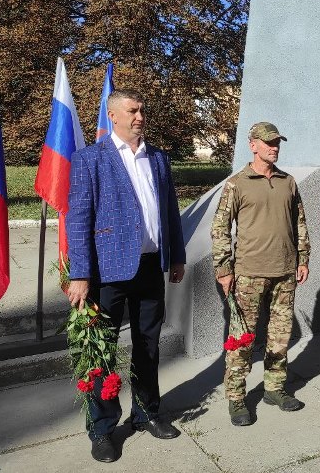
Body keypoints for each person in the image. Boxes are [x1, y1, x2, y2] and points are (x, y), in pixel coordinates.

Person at [66, 89, 186, 463]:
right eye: (132, 110)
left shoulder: (159, 159)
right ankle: (102, 428)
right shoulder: (90, 159)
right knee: (100, 352)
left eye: (142, 109)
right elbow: (79, 219)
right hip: (107, 273)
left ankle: (147, 411)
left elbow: (169, 212)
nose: (140, 116)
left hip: (150, 268)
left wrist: (177, 256)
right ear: (113, 116)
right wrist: (81, 274)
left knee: (148, 346)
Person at [211, 122, 310, 426]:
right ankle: (237, 397)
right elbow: (220, 227)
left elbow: (300, 223)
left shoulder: (288, 182)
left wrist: (303, 257)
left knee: (280, 337)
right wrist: (224, 268)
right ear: (252, 144)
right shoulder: (237, 183)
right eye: (268, 142)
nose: (274, 147)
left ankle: (275, 388)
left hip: (285, 272)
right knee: (242, 339)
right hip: (249, 274)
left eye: (277, 142)